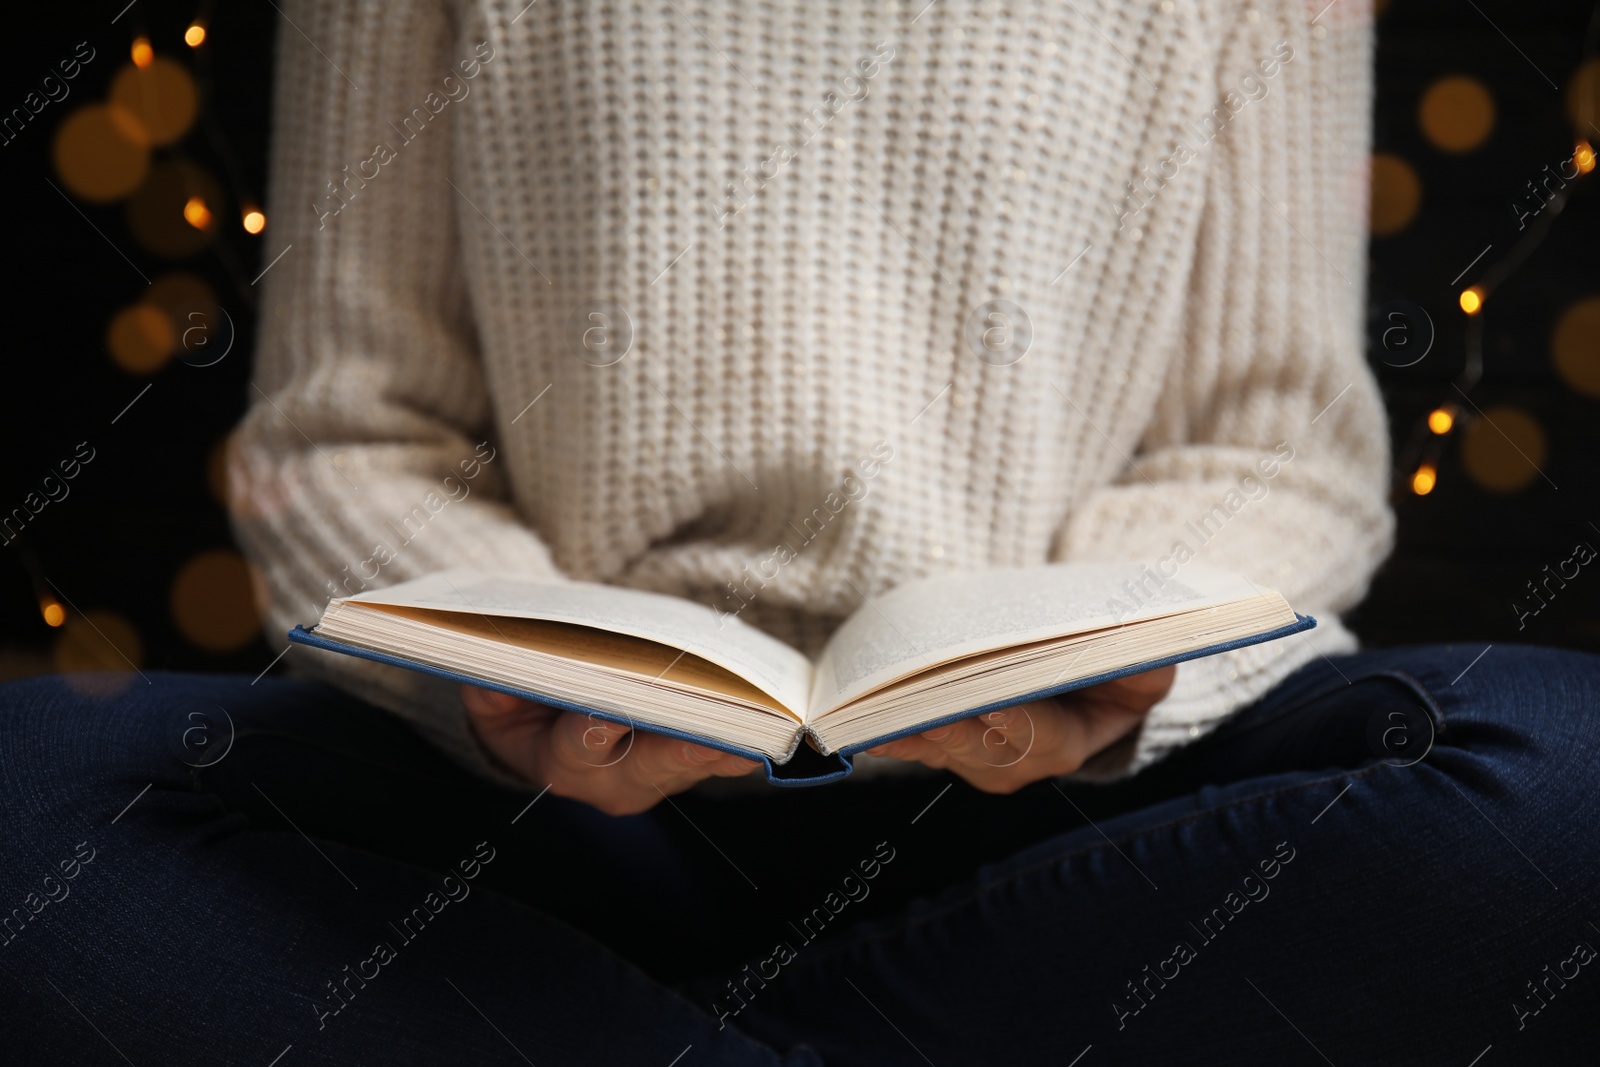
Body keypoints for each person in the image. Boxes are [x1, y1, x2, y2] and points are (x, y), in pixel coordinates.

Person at [3, 1, 1595, 1062]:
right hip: (563, 801)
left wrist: (1098, 676)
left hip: (1053, 801)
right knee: (25, 794)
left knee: (1564, 774)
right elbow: (345, 434)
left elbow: (1280, 449)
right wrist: (519, 679)